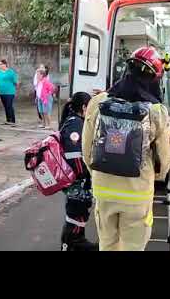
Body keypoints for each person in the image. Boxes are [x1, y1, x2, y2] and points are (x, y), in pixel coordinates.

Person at [82, 46, 170, 251]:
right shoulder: (156, 112)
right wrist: (158, 176)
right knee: (133, 247)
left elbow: (87, 150)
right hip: (137, 192)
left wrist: (97, 173)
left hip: (103, 190)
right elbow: (164, 157)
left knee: (107, 245)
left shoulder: (98, 102)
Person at [59, 91, 98, 251]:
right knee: (76, 211)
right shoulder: (75, 124)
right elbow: (74, 154)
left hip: (77, 180)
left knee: (79, 210)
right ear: (84, 107)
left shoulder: (75, 122)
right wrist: (85, 174)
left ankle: (76, 241)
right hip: (76, 180)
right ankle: (71, 243)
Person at [0, 59, 18, 126]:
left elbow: (15, 82)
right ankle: (8, 120)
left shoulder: (11, 72)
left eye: (0, 64)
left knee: (9, 106)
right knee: (5, 106)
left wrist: (11, 87)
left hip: (10, 92)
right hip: (2, 92)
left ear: (4, 64)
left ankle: (13, 121)